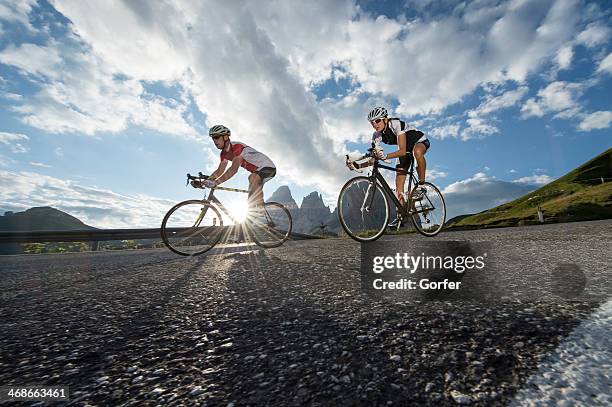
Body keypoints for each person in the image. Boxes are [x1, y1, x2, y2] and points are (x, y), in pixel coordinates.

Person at [346, 107, 430, 228]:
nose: (375, 124)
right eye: (372, 122)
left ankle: (421, 185)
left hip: (419, 141)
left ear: (385, 119)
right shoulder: (376, 136)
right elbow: (374, 158)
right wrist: (359, 165)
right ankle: (400, 216)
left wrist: (386, 155)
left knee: (417, 152)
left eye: (378, 120)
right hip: (405, 151)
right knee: (399, 185)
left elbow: (401, 151)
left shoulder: (396, 124)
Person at [197, 124, 276, 212]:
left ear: (226, 137)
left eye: (216, 137)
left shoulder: (237, 147)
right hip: (257, 171)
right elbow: (220, 170)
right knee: (250, 202)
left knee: (252, 178)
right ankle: (255, 219)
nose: (214, 141)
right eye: (213, 138)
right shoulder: (224, 154)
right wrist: (205, 181)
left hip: (268, 167)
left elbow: (233, 169)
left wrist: (216, 182)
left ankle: (260, 209)